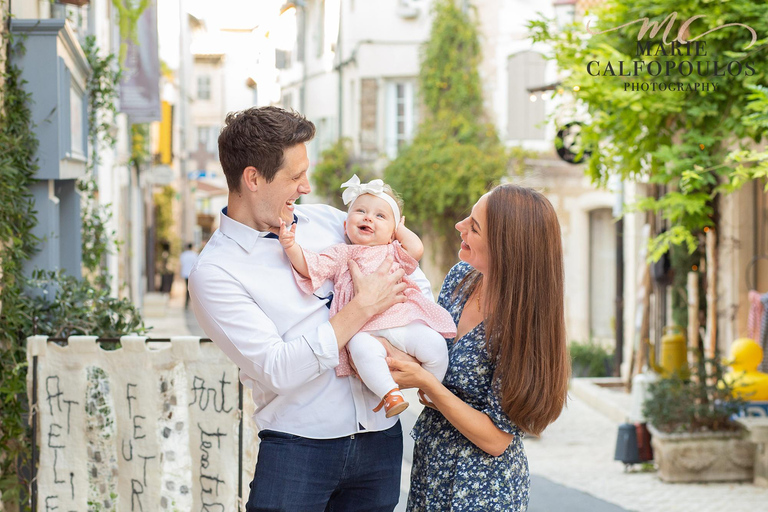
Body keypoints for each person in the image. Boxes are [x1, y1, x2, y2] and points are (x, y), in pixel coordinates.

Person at [188, 106, 435, 512]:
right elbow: (279, 369)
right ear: (252, 178)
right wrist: (361, 308)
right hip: (298, 453)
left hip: (380, 440)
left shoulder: (326, 220)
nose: (306, 186)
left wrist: (402, 336)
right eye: (295, 176)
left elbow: (406, 272)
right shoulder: (214, 274)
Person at [387, 184, 570, 511]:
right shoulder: (460, 279)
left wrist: (428, 384)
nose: (460, 226)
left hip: (482, 484)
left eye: (474, 226)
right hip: (432, 463)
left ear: (505, 247)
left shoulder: (521, 324)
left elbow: (497, 440)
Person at [278, 174, 454, 418]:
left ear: (393, 232)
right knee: (362, 354)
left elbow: (416, 249)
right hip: (363, 330)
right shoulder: (342, 254)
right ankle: (390, 394)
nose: (369, 217)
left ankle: (432, 388)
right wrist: (291, 247)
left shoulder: (393, 250)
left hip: (401, 322)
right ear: (345, 225)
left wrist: (401, 230)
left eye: (381, 216)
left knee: (435, 345)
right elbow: (311, 265)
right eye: (360, 211)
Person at [179, 243, 198, 308]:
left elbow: (181, 263)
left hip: (185, 273)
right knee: (191, 288)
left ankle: (187, 302)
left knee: (187, 288)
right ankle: (189, 302)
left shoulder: (184, 255)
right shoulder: (194, 255)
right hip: (191, 273)